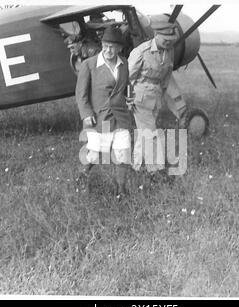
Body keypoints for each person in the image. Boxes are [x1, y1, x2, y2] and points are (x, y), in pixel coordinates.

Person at [76, 26, 132, 197]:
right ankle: (81, 176)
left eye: (113, 46)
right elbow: (81, 94)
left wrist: (130, 100)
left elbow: (127, 87)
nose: (109, 50)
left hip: (121, 116)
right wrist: (86, 114)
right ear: (102, 45)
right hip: (100, 118)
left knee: (122, 152)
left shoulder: (124, 64)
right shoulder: (89, 65)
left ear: (119, 48)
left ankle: (120, 189)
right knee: (94, 153)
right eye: (106, 45)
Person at [127, 15, 178, 177]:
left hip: (155, 98)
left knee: (144, 133)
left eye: (171, 39)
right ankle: (156, 171)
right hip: (139, 97)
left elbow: (166, 76)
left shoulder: (169, 52)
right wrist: (128, 99)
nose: (169, 42)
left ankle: (135, 167)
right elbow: (127, 78)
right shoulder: (141, 52)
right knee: (151, 133)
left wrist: (162, 96)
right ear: (157, 35)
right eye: (165, 39)